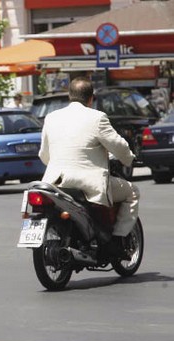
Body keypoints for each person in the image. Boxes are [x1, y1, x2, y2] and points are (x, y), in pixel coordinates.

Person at [39, 77, 139, 258]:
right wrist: (129, 159)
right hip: (86, 184)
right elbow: (119, 146)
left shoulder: (51, 117)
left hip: (55, 182)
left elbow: (44, 155)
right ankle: (117, 239)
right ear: (91, 98)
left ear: (69, 96)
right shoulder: (97, 117)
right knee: (132, 192)